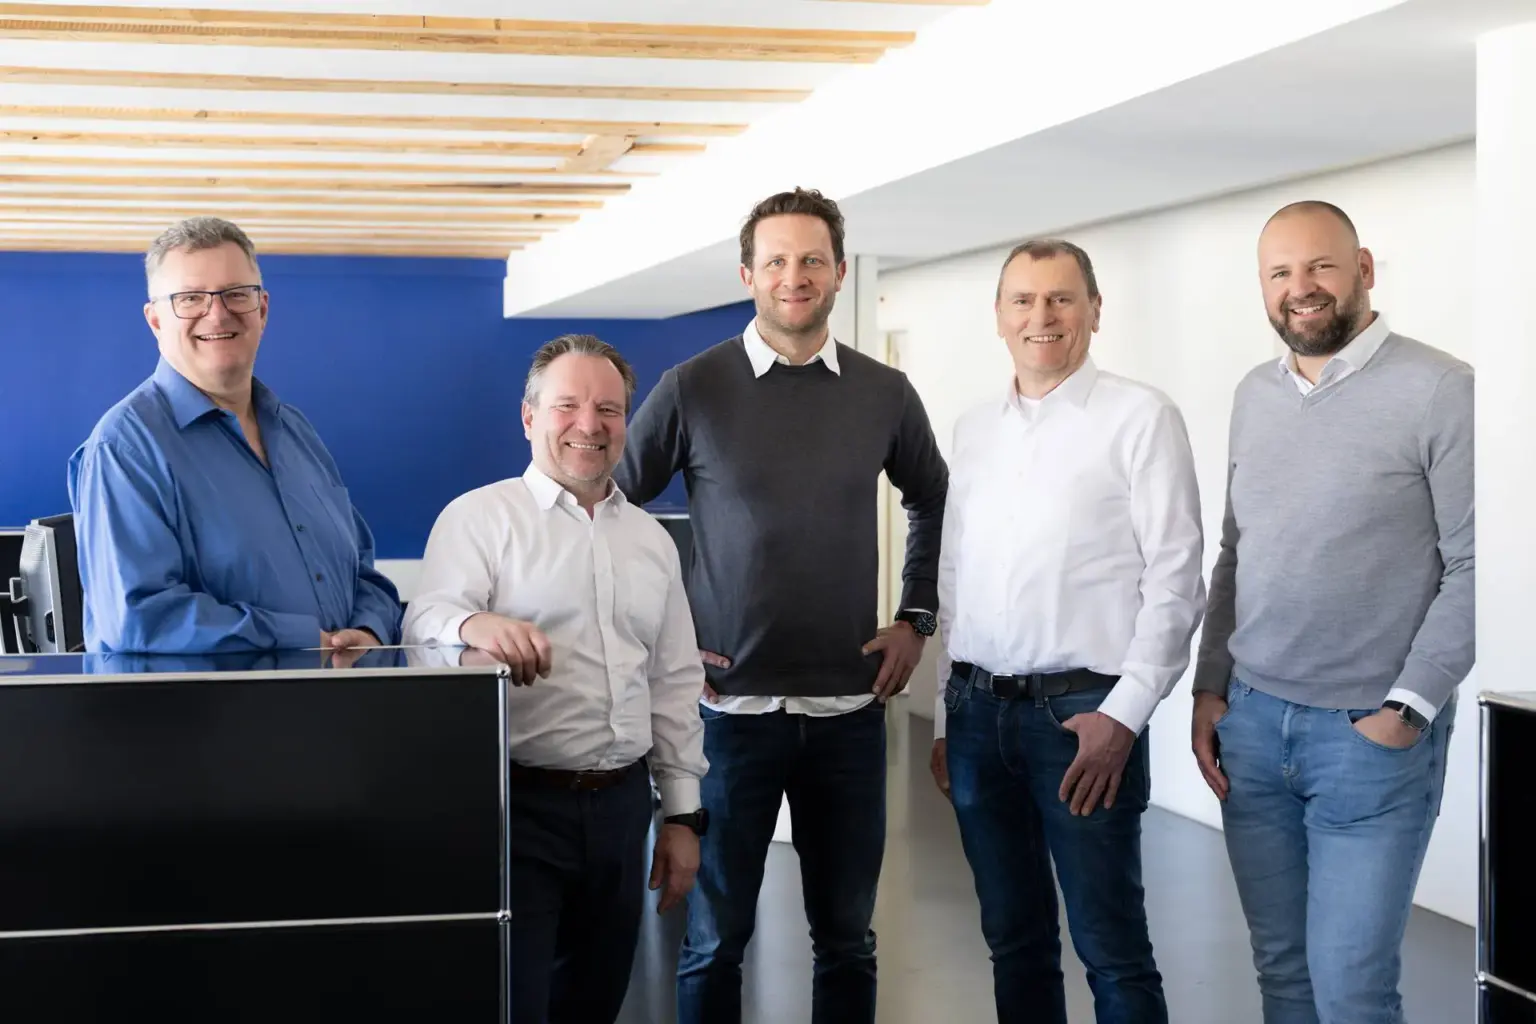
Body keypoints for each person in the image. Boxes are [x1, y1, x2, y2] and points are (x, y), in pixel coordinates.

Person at [614, 187, 948, 1024]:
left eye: (810, 261)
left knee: (848, 940)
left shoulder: (884, 392)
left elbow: (933, 498)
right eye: (775, 261)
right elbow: (610, 510)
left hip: (849, 714)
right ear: (747, 275)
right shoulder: (691, 388)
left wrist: (916, 618)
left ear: (838, 273)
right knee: (713, 943)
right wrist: (665, 641)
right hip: (729, 718)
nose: (793, 276)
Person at [1192, 201, 1474, 1024]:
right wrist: (1211, 686)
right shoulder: (1254, 393)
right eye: (1280, 272)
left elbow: (1477, 564)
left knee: (1351, 991)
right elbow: (1235, 552)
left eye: (1321, 266)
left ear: (1364, 269)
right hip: (1252, 727)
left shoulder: (1441, 389)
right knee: (1283, 976)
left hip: (1368, 738)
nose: (1302, 287)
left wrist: (1406, 709)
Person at [930, 239, 1204, 1024]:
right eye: (1023, 300)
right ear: (999, 316)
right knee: (1012, 940)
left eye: (1060, 298)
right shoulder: (974, 428)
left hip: (1084, 718)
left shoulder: (1141, 417)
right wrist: (947, 718)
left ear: (1094, 310)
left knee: (1112, 949)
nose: (1041, 316)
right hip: (978, 715)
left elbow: (1177, 580)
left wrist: (1125, 716)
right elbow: (954, 578)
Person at [401, 334, 707, 1024]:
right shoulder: (480, 518)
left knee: (595, 1002)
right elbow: (423, 630)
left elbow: (673, 683)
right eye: (567, 405)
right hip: (516, 810)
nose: (588, 425)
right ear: (529, 417)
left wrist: (682, 817)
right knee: (515, 1004)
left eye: (608, 409)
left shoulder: (652, 541)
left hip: (623, 809)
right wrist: (472, 626)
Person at [68, 216, 400, 654]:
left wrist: (370, 629)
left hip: (339, 693)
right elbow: (139, 618)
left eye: (236, 294)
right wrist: (303, 641)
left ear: (262, 309)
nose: (218, 313)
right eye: (190, 298)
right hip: (209, 701)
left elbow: (362, 571)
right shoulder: (124, 447)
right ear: (155, 320)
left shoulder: (295, 431)